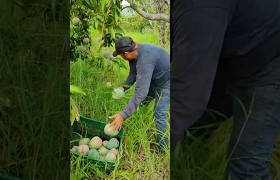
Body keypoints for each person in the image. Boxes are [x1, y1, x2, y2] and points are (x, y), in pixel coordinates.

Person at [172, 0, 280, 179]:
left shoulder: (201, 7)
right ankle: (190, 162)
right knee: (196, 127)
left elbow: (186, 98)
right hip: (233, 48)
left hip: (271, 62)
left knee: (247, 163)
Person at [109, 36, 170, 151]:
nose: (122, 57)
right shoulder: (135, 54)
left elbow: (140, 93)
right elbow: (133, 75)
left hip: (168, 82)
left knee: (159, 113)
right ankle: (139, 125)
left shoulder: (145, 59)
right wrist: (123, 88)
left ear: (126, 53)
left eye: (121, 55)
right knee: (142, 104)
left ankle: (163, 148)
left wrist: (122, 115)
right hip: (156, 78)